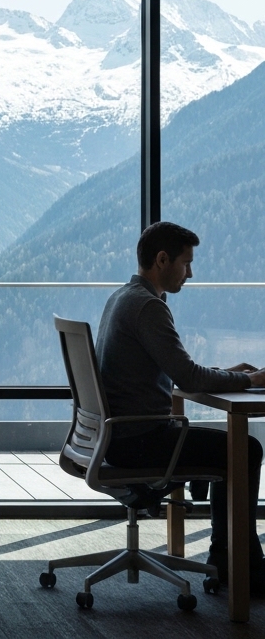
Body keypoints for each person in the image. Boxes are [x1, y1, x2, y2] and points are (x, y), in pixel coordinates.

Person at [96, 221, 265, 590]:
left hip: (115, 438)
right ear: (161, 260)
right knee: (246, 449)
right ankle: (240, 566)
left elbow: (177, 370)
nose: (190, 273)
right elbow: (188, 378)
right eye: (186, 263)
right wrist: (250, 380)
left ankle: (228, 557)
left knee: (232, 448)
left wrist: (223, 372)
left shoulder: (122, 297)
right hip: (140, 441)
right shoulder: (148, 307)